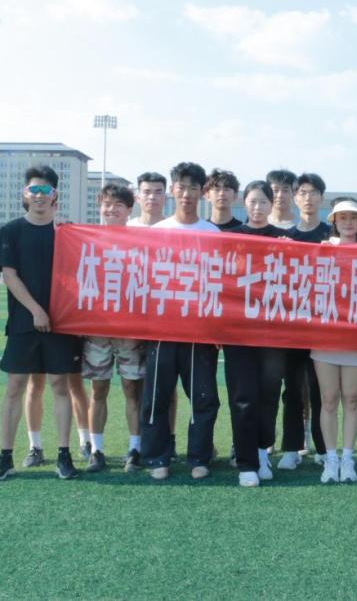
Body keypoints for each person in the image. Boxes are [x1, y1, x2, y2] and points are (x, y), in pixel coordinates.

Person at [0, 165, 83, 481]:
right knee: (15, 386)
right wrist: (36, 311)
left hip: (61, 324)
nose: (39, 196)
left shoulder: (67, 233)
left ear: (55, 195)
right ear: (24, 194)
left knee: (59, 385)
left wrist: (55, 313)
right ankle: (5, 456)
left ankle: (64, 455)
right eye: (34, 190)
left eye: (45, 190)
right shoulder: (11, 231)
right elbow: (9, 276)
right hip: (23, 323)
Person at [141, 162, 221, 481]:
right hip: (162, 329)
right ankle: (156, 457)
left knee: (203, 397)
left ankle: (199, 457)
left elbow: (220, 283)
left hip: (199, 331)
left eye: (193, 188)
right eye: (182, 187)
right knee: (157, 396)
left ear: (202, 193)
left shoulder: (212, 233)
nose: (187, 194)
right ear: (173, 190)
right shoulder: (158, 232)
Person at [222, 181, 290, 486]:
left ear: (272, 204)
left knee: (269, 394)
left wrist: (291, 250)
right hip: (238, 330)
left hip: (274, 331)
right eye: (253, 201)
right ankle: (246, 462)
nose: (258, 207)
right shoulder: (231, 238)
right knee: (243, 396)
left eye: (264, 202)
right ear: (244, 203)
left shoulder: (283, 239)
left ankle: (263, 452)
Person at [81, 183, 146, 473]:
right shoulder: (86, 239)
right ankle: (97, 450)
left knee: (132, 388)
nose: (112, 209)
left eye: (118, 205)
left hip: (130, 330)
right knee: (98, 389)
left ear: (129, 210)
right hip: (97, 329)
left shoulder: (141, 242)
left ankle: (135, 448)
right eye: (107, 204)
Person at [312, 197, 357, 483]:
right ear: (334, 221)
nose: (348, 222)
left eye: (353, 217)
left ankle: (347, 458)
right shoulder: (322, 250)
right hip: (325, 335)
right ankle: (330, 458)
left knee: (351, 398)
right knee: (328, 399)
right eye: (342, 217)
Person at [275, 173, 329, 470]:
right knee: (292, 388)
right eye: (303, 193)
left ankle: (323, 447)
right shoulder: (287, 238)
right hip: (293, 326)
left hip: (324, 325)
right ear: (295, 198)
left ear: (322, 197)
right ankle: (291, 448)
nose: (308, 198)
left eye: (313, 192)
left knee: (321, 390)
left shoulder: (331, 235)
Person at [127, 171, 179, 459]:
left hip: (166, 319)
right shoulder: (127, 229)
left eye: (158, 192)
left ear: (166, 195)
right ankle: (137, 444)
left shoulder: (174, 229)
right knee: (134, 386)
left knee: (167, 388)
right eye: (146, 192)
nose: (152, 197)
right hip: (134, 317)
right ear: (138, 196)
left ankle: (168, 440)